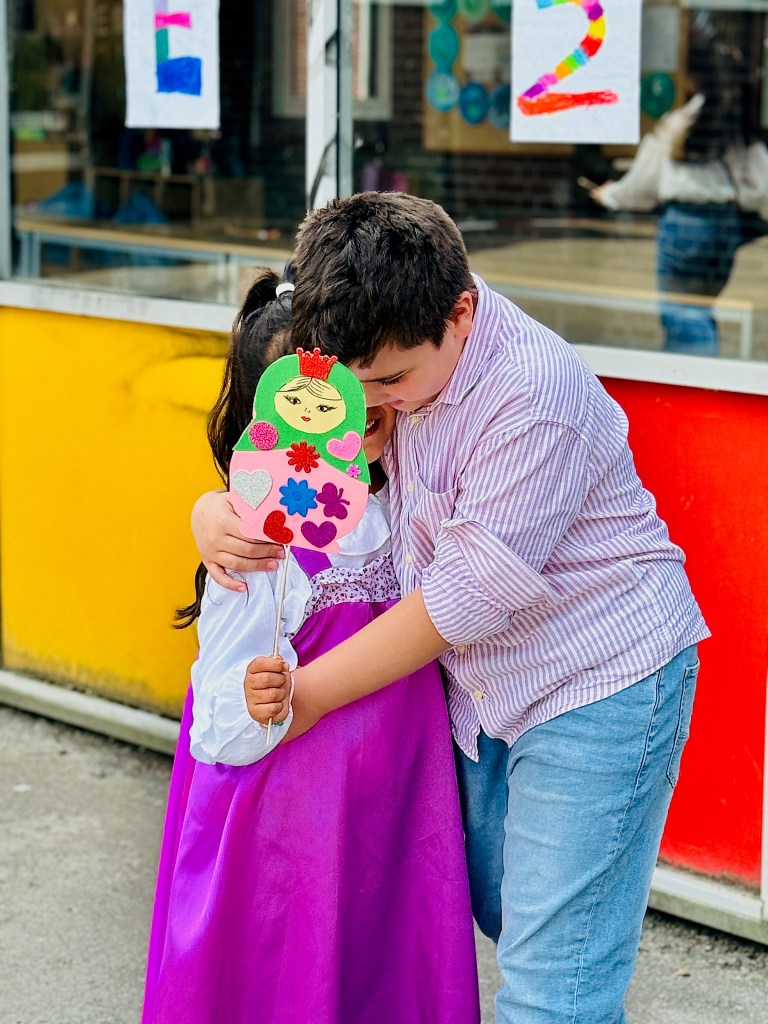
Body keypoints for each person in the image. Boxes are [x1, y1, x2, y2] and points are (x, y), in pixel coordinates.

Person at [191, 191, 710, 1024]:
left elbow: (464, 598)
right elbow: (299, 480)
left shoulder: (532, 398)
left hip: (596, 682)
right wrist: (216, 512)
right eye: (355, 388)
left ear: (461, 313)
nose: (372, 408)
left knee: (555, 984)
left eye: (391, 383)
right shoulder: (389, 350)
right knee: (507, 910)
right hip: (481, 690)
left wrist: (308, 696)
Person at [142, 266, 481, 1024]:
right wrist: (252, 701)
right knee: (289, 976)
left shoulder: (410, 489)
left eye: (360, 384)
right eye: (315, 401)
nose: (351, 411)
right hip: (289, 833)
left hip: (394, 812)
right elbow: (221, 720)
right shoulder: (259, 541)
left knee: (383, 971)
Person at [591, 18, 768, 355]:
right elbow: (761, 187)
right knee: (701, 307)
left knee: (683, 312)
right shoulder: (738, 125)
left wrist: (610, 195)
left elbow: (642, 185)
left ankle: (694, 374)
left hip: (684, 224)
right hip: (724, 225)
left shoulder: (680, 123)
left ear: (690, 76)